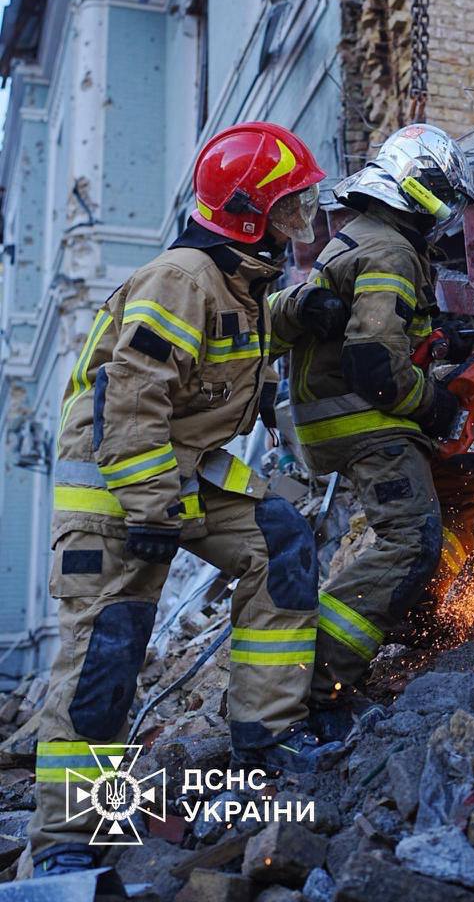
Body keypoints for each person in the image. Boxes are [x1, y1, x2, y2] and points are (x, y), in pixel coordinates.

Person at [31, 122, 347, 877]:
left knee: (278, 543)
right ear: (246, 213)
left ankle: (263, 733)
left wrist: (297, 314)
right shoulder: (181, 277)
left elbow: (240, 326)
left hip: (176, 470)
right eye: (289, 209)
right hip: (117, 486)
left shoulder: (235, 278)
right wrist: (148, 512)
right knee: (105, 654)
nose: (301, 224)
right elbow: (130, 396)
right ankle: (67, 844)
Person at [270, 123, 474, 740]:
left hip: (334, 417)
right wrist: (434, 404)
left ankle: (403, 622)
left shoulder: (356, 235)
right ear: (419, 189)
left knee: (424, 528)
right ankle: (318, 690)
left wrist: (440, 345)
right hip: (365, 420)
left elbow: (374, 337)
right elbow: (373, 365)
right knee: (410, 540)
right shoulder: (390, 250)